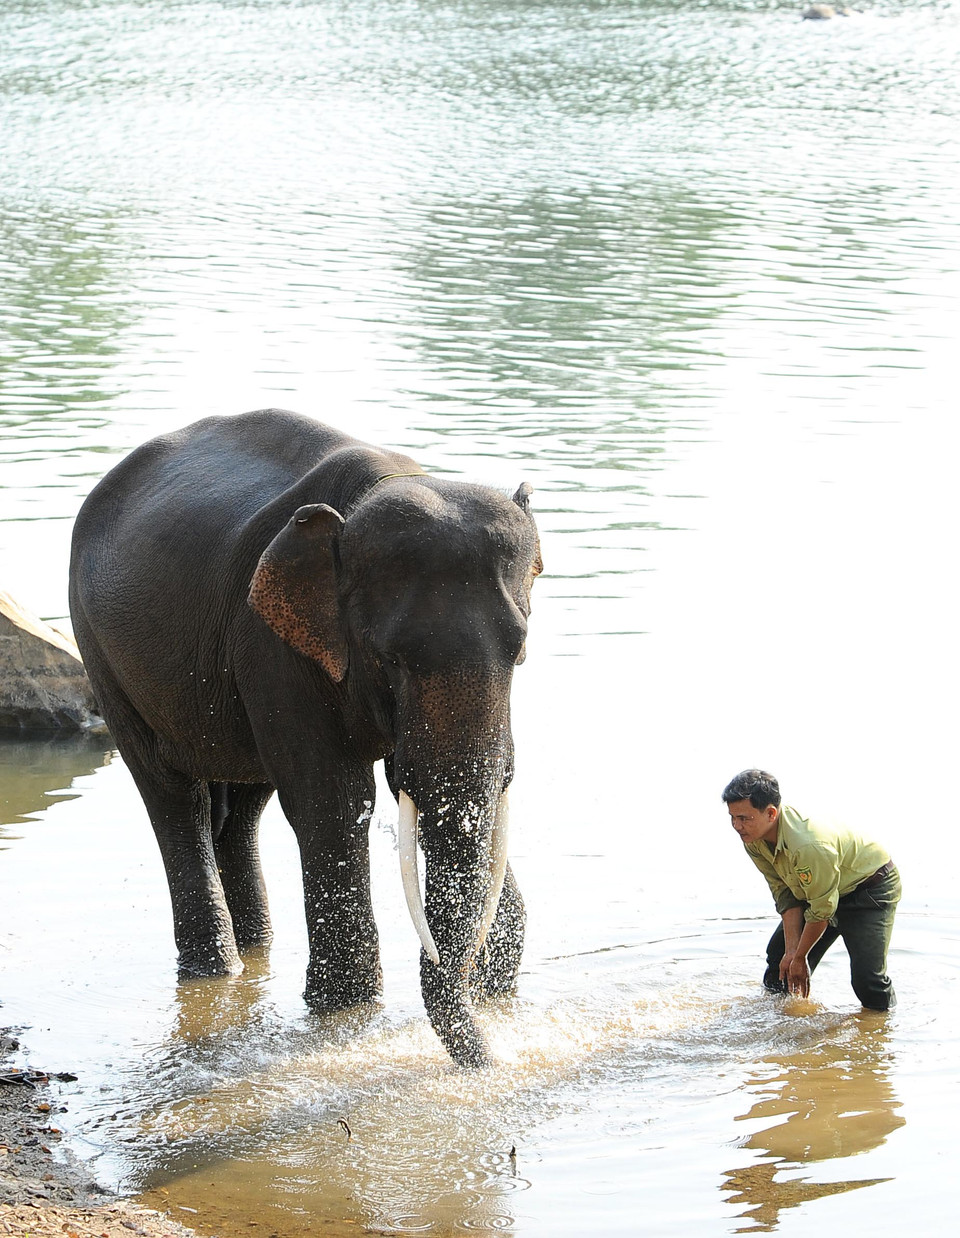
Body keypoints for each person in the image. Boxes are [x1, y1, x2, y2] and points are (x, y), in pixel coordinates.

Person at [722, 769, 900, 1010]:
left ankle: (883, 1028)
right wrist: (792, 951)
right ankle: (782, 1021)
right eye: (733, 817)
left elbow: (822, 910)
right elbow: (784, 894)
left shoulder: (808, 844)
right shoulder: (754, 838)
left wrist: (800, 956)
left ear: (771, 813)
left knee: (868, 980)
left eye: (744, 818)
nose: (737, 826)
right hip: (817, 891)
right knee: (779, 962)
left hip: (869, 890)